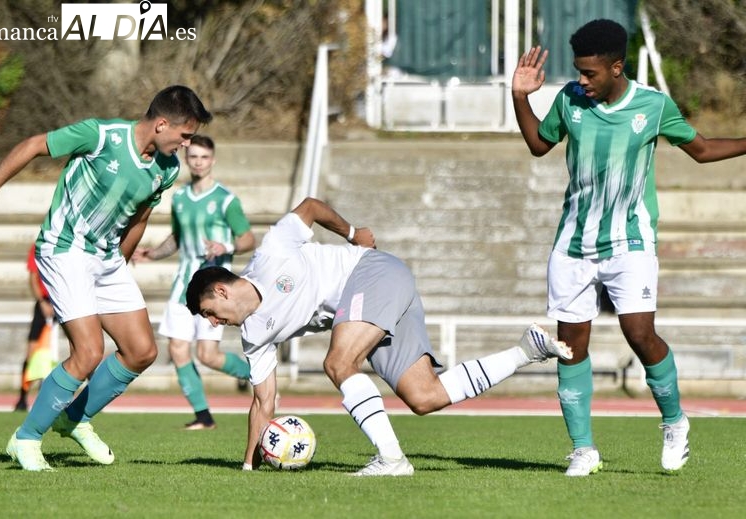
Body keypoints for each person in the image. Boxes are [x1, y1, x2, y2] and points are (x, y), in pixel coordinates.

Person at [184, 197, 573, 476]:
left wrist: (353, 233)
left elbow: (311, 208)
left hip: (371, 271)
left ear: (221, 291)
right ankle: (525, 351)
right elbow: (263, 402)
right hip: (378, 301)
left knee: (338, 363)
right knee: (424, 396)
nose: (214, 324)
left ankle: (391, 459)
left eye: (210, 314)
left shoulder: (271, 253)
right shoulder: (254, 336)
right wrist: (249, 466)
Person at [511, 19, 746, 476]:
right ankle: (583, 449)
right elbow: (540, 144)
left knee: (639, 335)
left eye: (590, 73)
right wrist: (521, 97)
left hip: (630, 242)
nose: (581, 80)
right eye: (578, 71)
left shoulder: (653, 106)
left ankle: (675, 422)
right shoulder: (570, 100)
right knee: (569, 348)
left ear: (616, 67)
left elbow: (700, 149)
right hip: (573, 244)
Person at [0, 84, 212, 471]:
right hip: (64, 248)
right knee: (87, 353)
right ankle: (25, 438)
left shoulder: (167, 169)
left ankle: (73, 418)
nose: (188, 145)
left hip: (106, 258)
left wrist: (117, 266)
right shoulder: (101, 135)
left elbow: (139, 217)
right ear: (161, 124)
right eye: (184, 135)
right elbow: (33, 145)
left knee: (142, 351)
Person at [132, 134, 255, 430]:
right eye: (194, 156)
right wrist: (152, 253)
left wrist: (225, 247)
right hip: (182, 288)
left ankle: (254, 376)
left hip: (214, 290)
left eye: (204, 157)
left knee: (208, 356)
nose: (198, 162)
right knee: (177, 349)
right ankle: (204, 417)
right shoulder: (181, 198)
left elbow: (248, 239)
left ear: (212, 160)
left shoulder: (226, 200)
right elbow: (176, 238)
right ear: (187, 159)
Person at [14, 243, 55, 412]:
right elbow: (33, 277)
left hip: (66, 300)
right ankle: (23, 397)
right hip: (44, 302)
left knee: (83, 347)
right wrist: (42, 302)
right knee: (32, 351)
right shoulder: (39, 246)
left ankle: (91, 397)